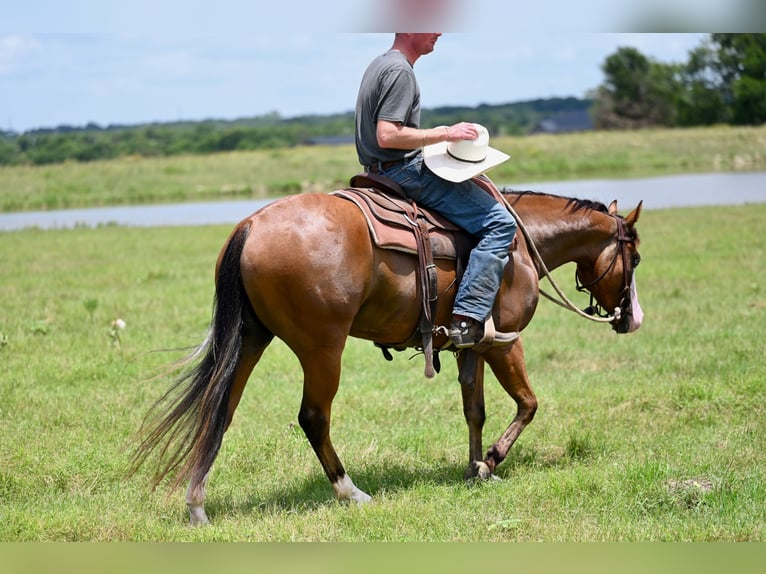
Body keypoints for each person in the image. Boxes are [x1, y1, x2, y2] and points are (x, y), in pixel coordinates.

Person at [354, 33, 518, 349]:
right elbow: (387, 135)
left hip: (375, 171)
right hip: (404, 171)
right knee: (500, 223)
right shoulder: (400, 71)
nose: (440, 32)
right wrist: (447, 133)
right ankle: (467, 319)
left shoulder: (380, 64)